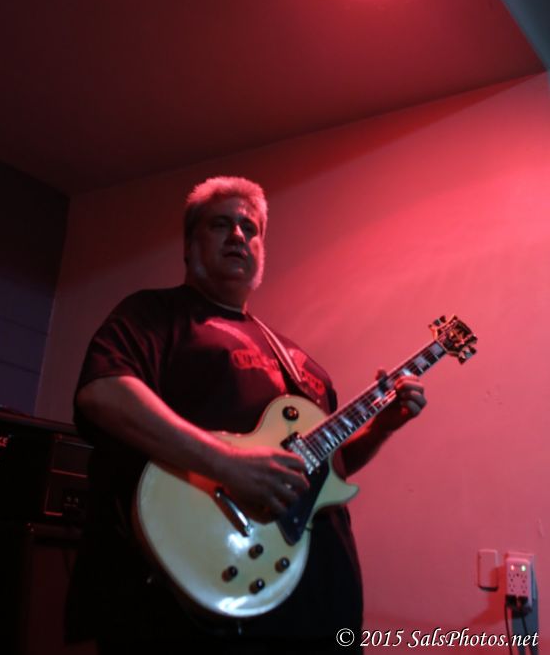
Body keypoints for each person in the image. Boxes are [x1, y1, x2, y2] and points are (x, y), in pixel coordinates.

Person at [66, 176, 426, 654]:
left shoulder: (302, 361)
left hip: (320, 604)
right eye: (221, 224)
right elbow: (103, 393)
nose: (238, 235)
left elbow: (324, 473)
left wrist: (381, 428)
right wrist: (228, 464)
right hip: (201, 601)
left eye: (250, 228)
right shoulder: (155, 314)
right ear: (189, 245)